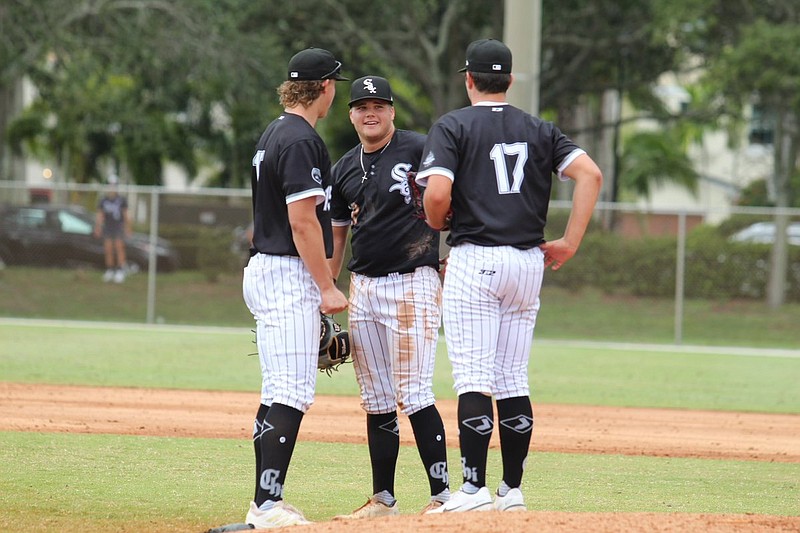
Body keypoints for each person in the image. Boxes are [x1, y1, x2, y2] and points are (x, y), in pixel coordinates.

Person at [415, 38, 603, 513]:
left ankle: (474, 489)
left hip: (476, 258)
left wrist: (438, 222)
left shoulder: (453, 124)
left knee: (473, 378)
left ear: (468, 79)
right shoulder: (539, 128)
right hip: (527, 262)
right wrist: (570, 242)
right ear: (511, 80)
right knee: (513, 378)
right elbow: (591, 175)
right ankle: (511, 490)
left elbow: (436, 195)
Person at [328, 76, 450, 518]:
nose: (370, 113)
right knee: (376, 398)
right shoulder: (343, 167)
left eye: (379, 104)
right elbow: (338, 237)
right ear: (351, 115)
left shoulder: (421, 149)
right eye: (362, 106)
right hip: (364, 286)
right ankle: (383, 499)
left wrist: (456, 248)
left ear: (393, 111)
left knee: (414, 391)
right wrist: (326, 287)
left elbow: (457, 196)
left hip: (413, 280)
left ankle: (442, 496)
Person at [241, 46, 349, 529]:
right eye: (334, 87)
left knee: (276, 389)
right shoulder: (302, 138)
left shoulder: (273, 133)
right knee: (291, 391)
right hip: (287, 270)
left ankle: (266, 499)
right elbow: (303, 221)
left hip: (267, 267)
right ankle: (266, 506)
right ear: (324, 87)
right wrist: (326, 287)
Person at [93, 174, 131, 283]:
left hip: (118, 226)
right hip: (108, 226)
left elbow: (126, 215)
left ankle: (120, 270)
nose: (112, 187)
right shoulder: (103, 200)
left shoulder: (121, 199)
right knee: (108, 248)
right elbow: (100, 215)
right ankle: (110, 269)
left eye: (114, 185)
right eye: (110, 185)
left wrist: (128, 228)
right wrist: (98, 228)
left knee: (119, 247)